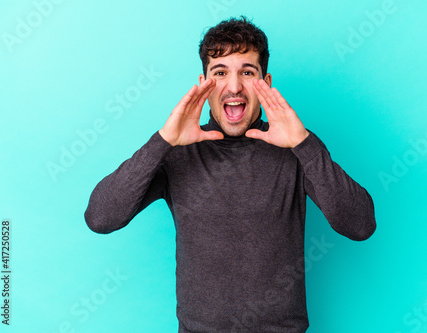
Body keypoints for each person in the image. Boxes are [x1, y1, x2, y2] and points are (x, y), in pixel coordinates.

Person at [85, 15, 376, 333]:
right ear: (203, 83)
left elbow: (360, 225)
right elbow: (101, 218)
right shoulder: (177, 153)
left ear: (265, 83)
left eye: (247, 72)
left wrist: (304, 144)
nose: (234, 86)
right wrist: (163, 142)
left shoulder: (296, 149)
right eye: (220, 72)